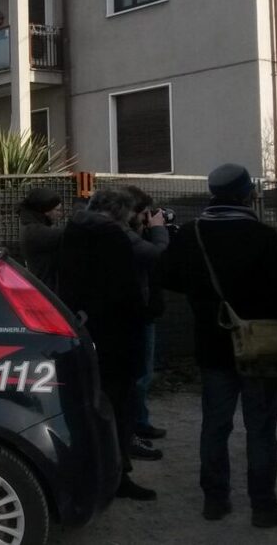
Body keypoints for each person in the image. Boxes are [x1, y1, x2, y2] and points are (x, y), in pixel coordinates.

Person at [162, 163, 277, 528]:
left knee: (215, 425)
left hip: (212, 343)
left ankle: (215, 500)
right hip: (260, 345)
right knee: (261, 427)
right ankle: (264, 506)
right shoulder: (262, 235)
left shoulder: (192, 233)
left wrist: (203, 298)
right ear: (246, 194)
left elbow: (165, 275)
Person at [56, 188, 155, 501]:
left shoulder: (73, 232)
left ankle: (93, 472)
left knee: (92, 406)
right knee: (120, 408)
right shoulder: (113, 237)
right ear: (120, 211)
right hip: (118, 335)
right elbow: (125, 289)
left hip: (86, 331)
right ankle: (118, 474)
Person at [122, 185, 170, 462]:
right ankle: (134, 427)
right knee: (139, 376)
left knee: (140, 375)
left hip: (142, 311)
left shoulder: (130, 235)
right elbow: (155, 254)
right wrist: (159, 230)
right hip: (138, 313)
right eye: (144, 213)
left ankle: (139, 422)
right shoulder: (127, 238)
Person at [16, 187, 64, 290]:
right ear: (46, 211)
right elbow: (67, 235)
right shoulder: (35, 232)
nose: (60, 214)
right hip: (46, 290)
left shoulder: (30, 226)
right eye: (57, 210)